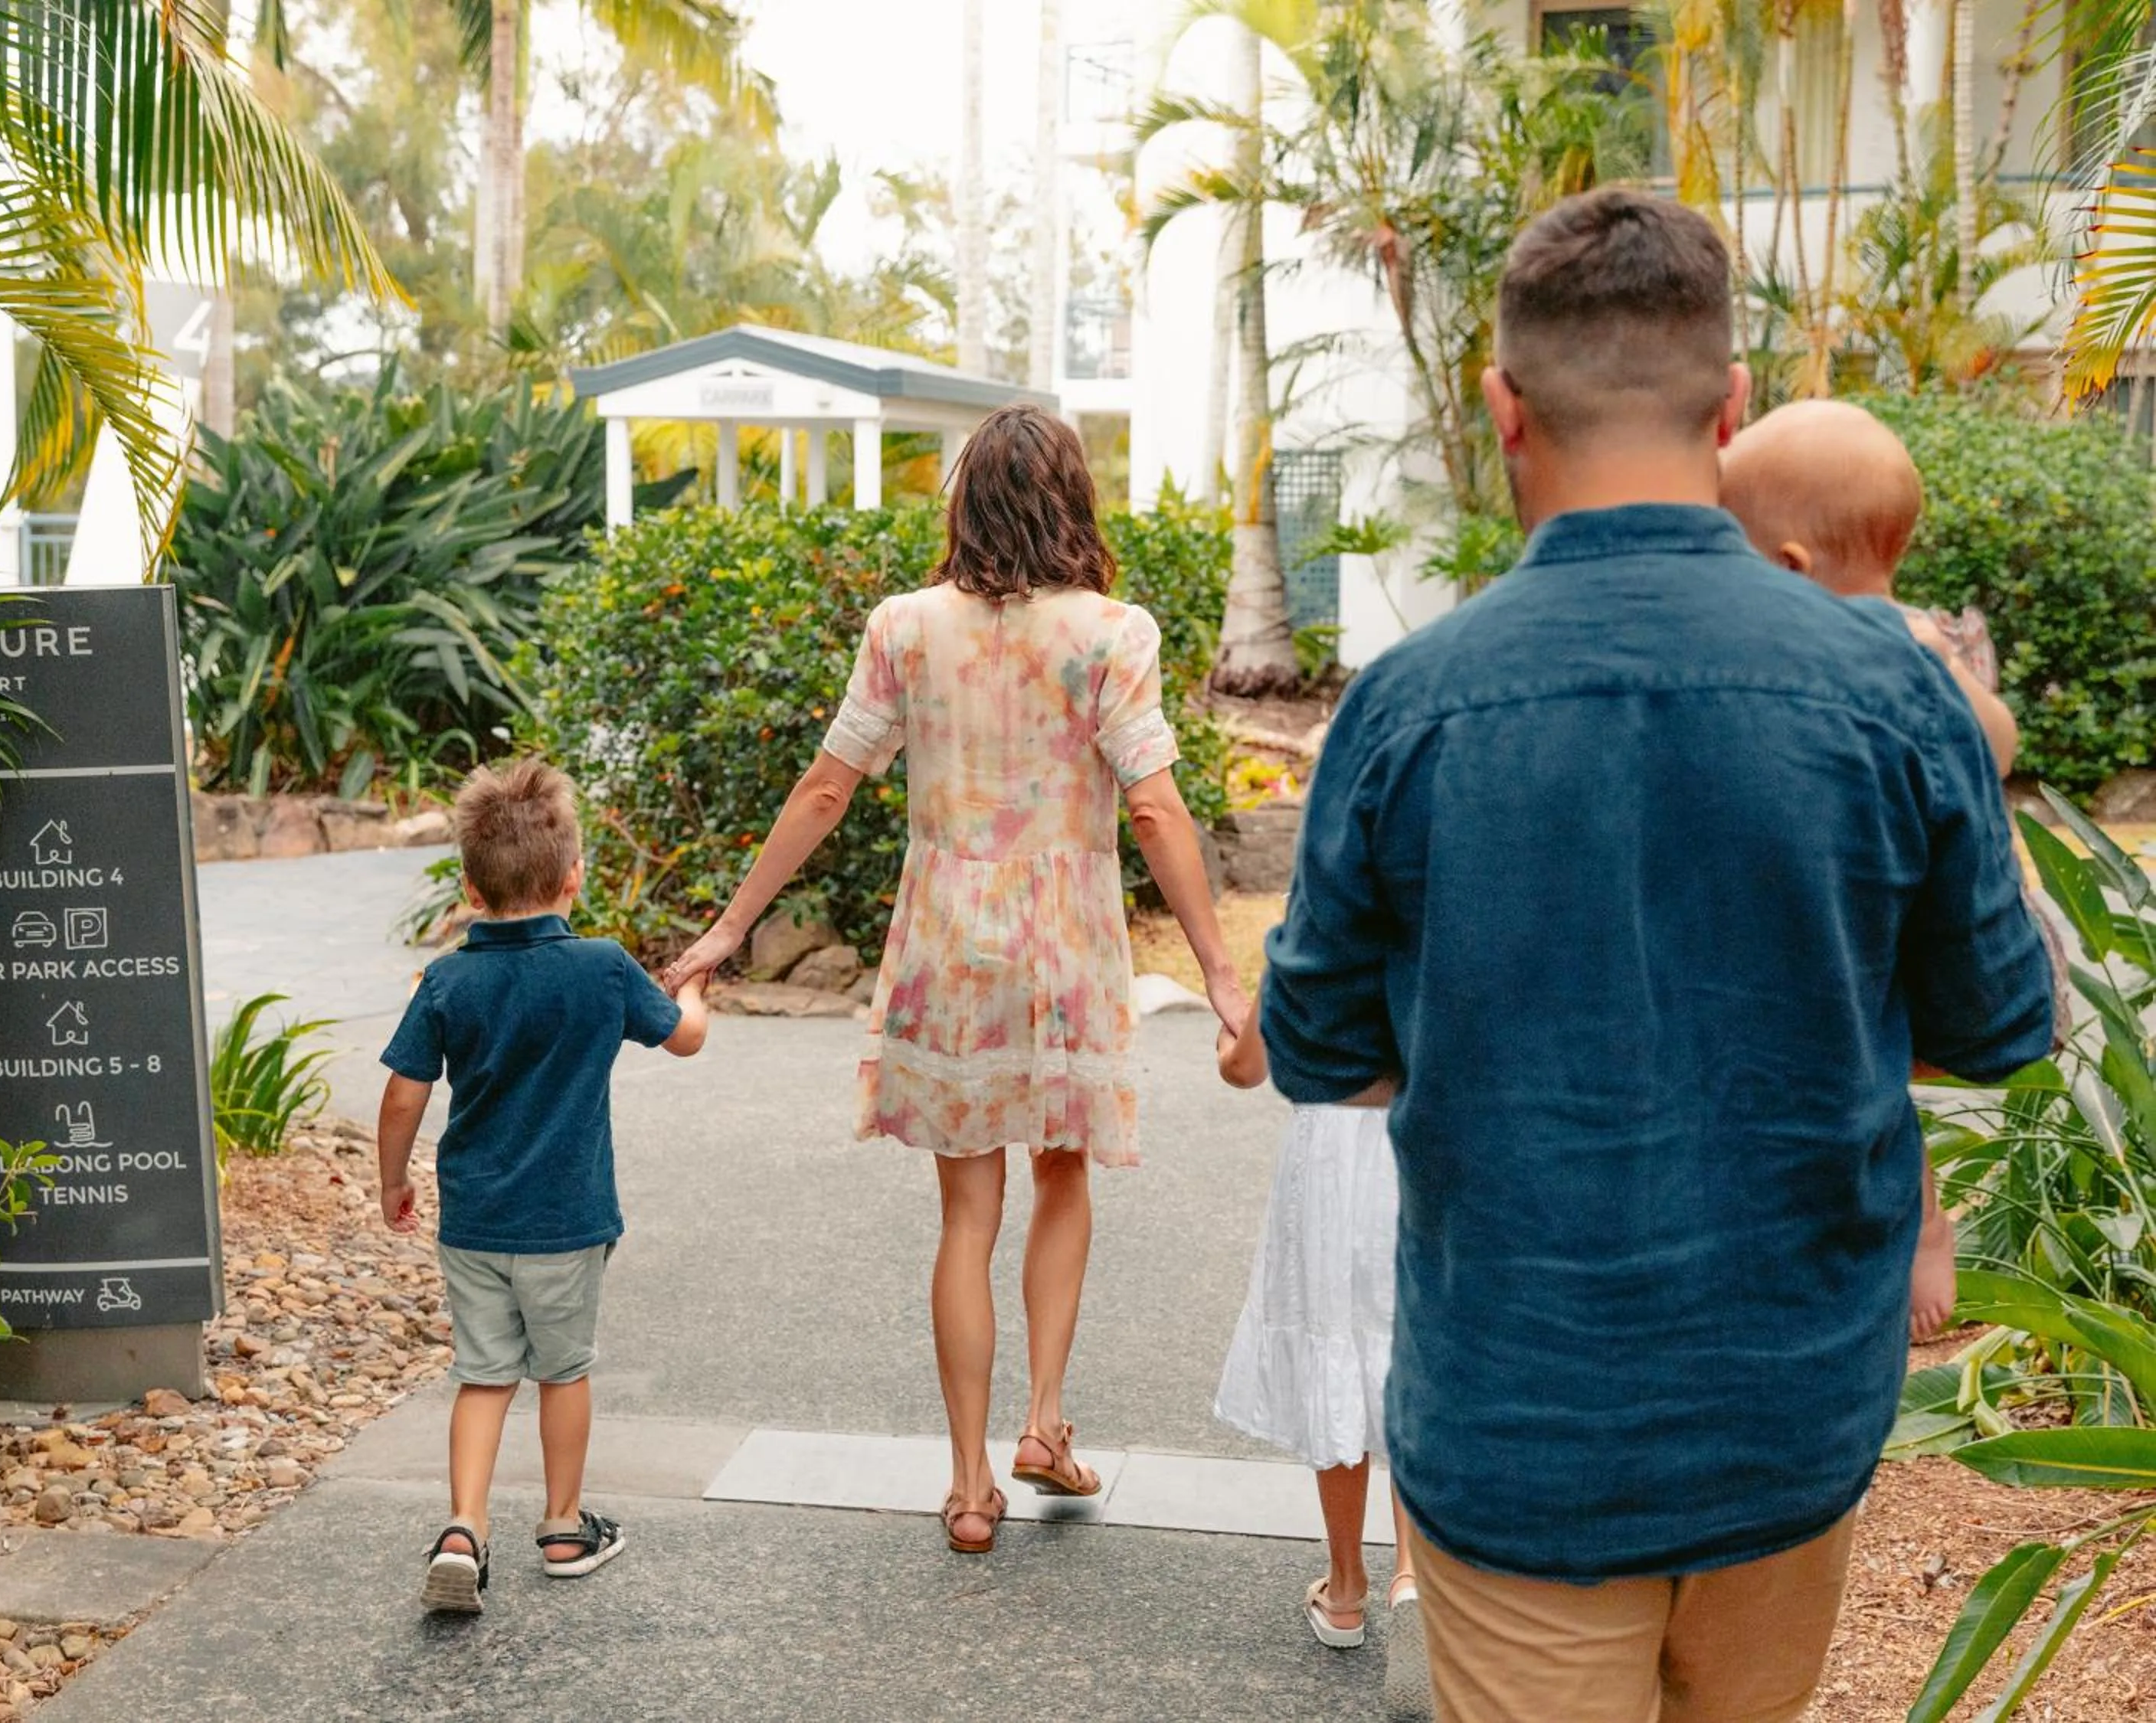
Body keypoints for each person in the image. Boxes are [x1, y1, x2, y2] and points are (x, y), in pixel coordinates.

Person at [1261, 188, 2054, 1723]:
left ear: (1503, 406)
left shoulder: (1408, 707)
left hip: (1518, 1422)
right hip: (1786, 1416)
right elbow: (2000, 1019)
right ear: (1731, 403)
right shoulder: (1894, 700)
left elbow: (1316, 1049)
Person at [664, 404, 1244, 1556]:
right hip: (1066, 943)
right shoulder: (1112, 631)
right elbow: (1155, 803)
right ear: (1072, 499)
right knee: (1062, 1177)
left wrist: (728, 928)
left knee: (965, 1213)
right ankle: (1045, 1421)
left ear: (967, 498)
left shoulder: (906, 626)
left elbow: (827, 789)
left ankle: (970, 1483)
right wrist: (1224, 971)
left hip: (945, 942)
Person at [1723, 397, 2056, 1345]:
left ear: (1788, 567)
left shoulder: (1907, 649)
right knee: (1871, 1062)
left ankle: (1928, 1223)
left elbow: (1996, 741)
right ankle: (1917, 1218)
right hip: (1878, 909)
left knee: (1875, 1056)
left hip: (1932, 904)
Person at [378, 758, 708, 1614]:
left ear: (470, 889)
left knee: (484, 1376)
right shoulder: (601, 967)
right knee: (562, 1372)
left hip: (476, 1221)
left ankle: (464, 1528)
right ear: (573, 878)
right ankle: (563, 1527)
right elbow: (685, 1039)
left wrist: (392, 1185)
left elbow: (404, 1094)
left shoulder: (448, 978)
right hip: (567, 1222)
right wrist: (696, 988)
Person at [1213, 984, 1432, 1718]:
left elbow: (1246, 1066)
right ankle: (1414, 1578)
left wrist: (1229, 1042)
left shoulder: (1324, 909)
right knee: (1411, 1351)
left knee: (1332, 1342)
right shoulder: (1454, 902)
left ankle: (1345, 1592)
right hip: (1421, 1139)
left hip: (1333, 1147)